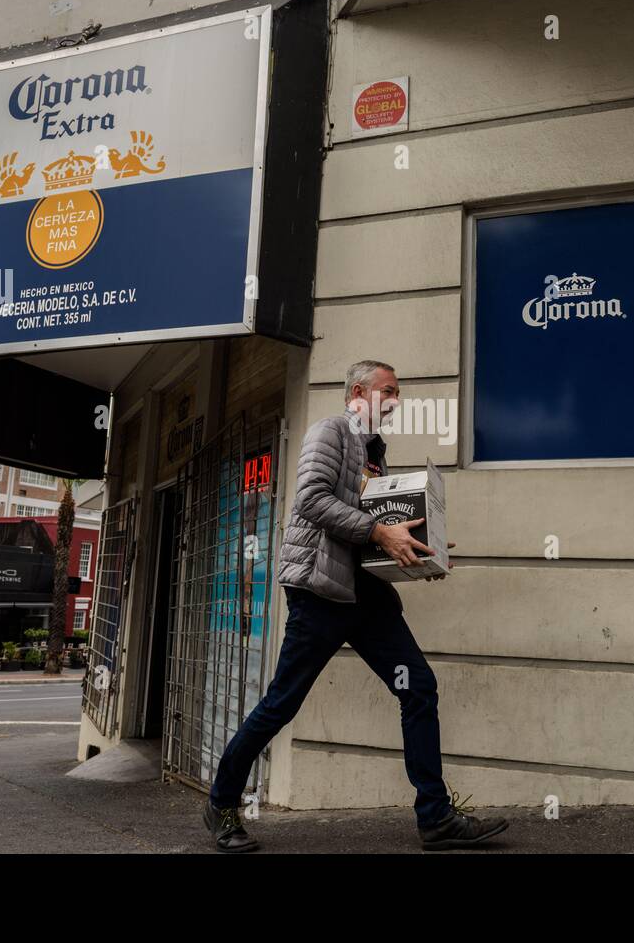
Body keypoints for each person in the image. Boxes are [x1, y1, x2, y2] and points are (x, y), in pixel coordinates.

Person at [203, 360, 509, 852]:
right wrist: (378, 532)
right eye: (389, 390)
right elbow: (311, 500)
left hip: (365, 597)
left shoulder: (373, 452)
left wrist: (419, 553)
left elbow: (371, 528)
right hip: (320, 594)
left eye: (398, 392)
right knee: (282, 704)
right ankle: (221, 802)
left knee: (418, 687)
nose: (396, 400)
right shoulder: (330, 432)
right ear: (359, 392)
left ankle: (435, 818)